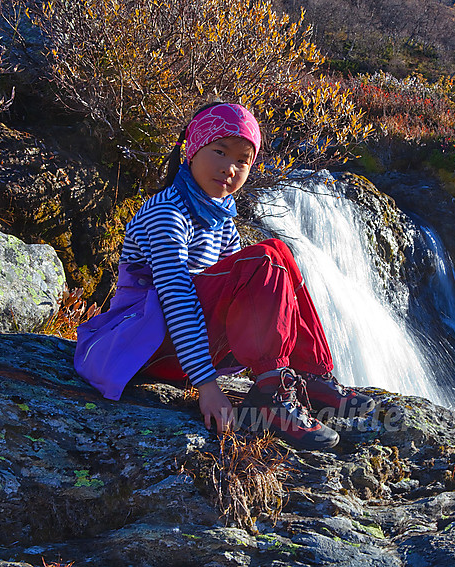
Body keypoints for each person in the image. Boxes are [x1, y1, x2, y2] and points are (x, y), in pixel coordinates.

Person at [73, 102, 374, 450]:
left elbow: (248, 303)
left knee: (279, 254)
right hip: (142, 345)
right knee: (265, 257)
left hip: (181, 349)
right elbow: (177, 297)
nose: (230, 168)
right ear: (193, 148)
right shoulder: (167, 213)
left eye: (243, 161)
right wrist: (207, 386)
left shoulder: (222, 221)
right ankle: (271, 397)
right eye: (219, 151)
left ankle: (310, 376)